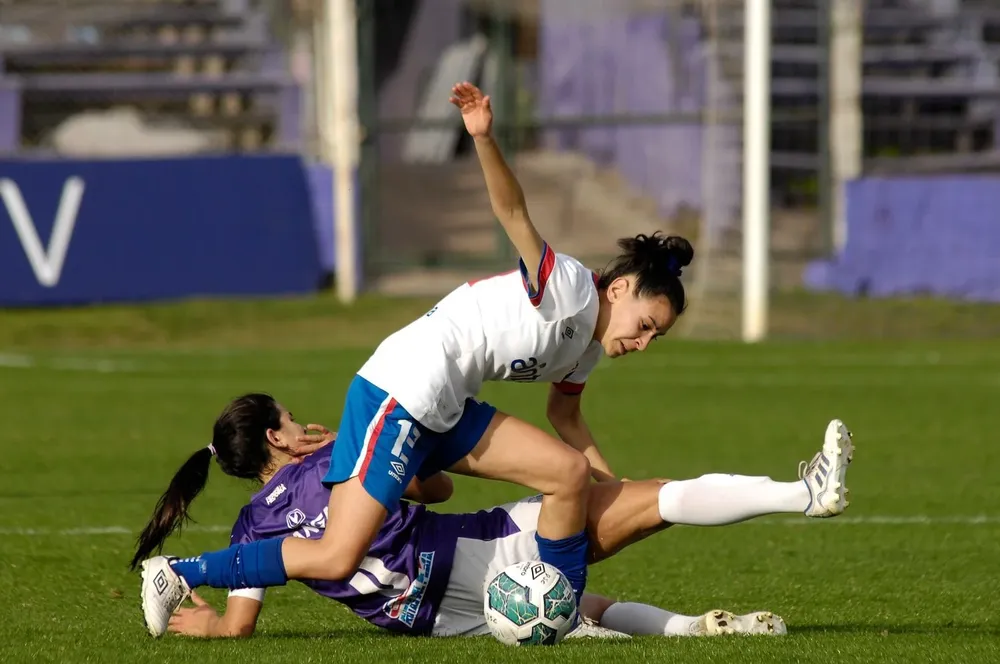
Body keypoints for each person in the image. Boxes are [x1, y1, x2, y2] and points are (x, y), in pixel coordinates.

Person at [140, 79, 699, 616]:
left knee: (568, 473)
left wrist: (612, 485)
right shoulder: (570, 288)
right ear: (619, 290)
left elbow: (561, 419)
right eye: (647, 325)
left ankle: (564, 611)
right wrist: (483, 137)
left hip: (442, 405)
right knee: (337, 557)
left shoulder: (587, 345)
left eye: (657, 335)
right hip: (410, 391)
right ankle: (181, 572)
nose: (645, 341)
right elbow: (512, 214)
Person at [135, 394, 855, 639]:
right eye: (292, 418)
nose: (304, 422)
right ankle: (803, 493)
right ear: (277, 437)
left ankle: (696, 629)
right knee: (654, 498)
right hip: (483, 549)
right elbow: (438, 491)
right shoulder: (340, 462)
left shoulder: (250, 532)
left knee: (580, 611)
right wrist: (362, 451)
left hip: (436, 620)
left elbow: (239, 625)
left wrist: (205, 623)